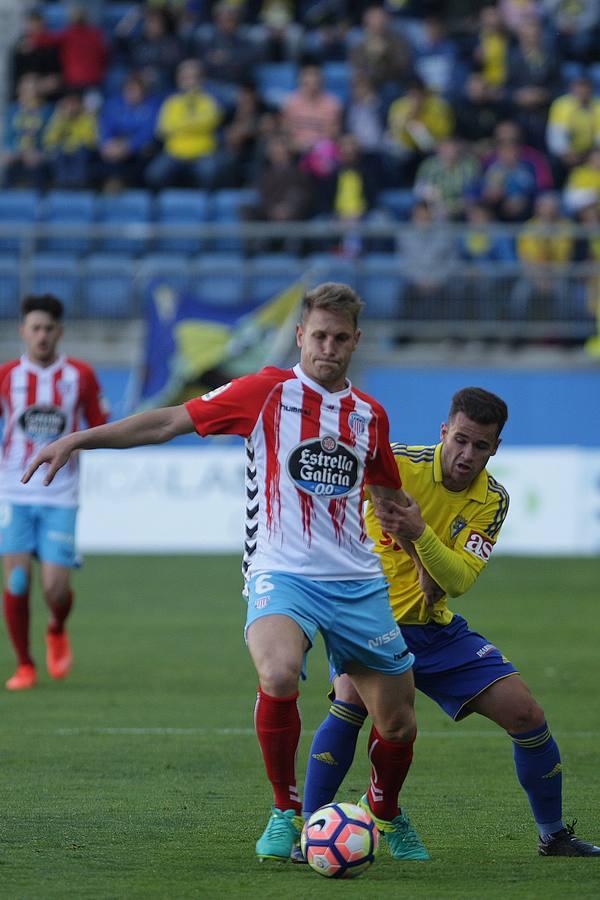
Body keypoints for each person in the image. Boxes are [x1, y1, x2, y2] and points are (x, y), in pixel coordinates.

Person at [22, 283, 428, 863]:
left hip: (357, 582)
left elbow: (390, 502)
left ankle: (384, 813)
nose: (328, 348)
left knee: (399, 724)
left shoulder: (369, 416)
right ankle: (285, 812)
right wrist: (79, 439)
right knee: (280, 672)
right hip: (281, 571)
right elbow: (167, 422)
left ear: (356, 341)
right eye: (319, 336)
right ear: (299, 336)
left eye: (341, 338)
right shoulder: (264, 392)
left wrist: (421, 562)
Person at [301, 387, 600, 858]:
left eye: (481, 446)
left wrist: (419, 534)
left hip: (434, 627)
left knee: (527, 715)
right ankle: (311, 831)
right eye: (460, 440)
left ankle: (554, 835)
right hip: (367, 620)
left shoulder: (492, 500)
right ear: (444, 431)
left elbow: (457, 580)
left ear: (495, 448)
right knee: (352, 703)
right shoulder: (396, 465)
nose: (467, 454)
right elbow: (322, 509)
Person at [0, 295, 108, 691]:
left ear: (59, 332)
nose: (42, 335)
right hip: (14, 491)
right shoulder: (7, 375)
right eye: (35, 328)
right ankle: (25, 666)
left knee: (55, 589)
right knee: (15, 582)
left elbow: (98, 427)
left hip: (60, 494)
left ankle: (57, 625)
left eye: (49, 328)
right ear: (23, 332)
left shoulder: (79, 375)